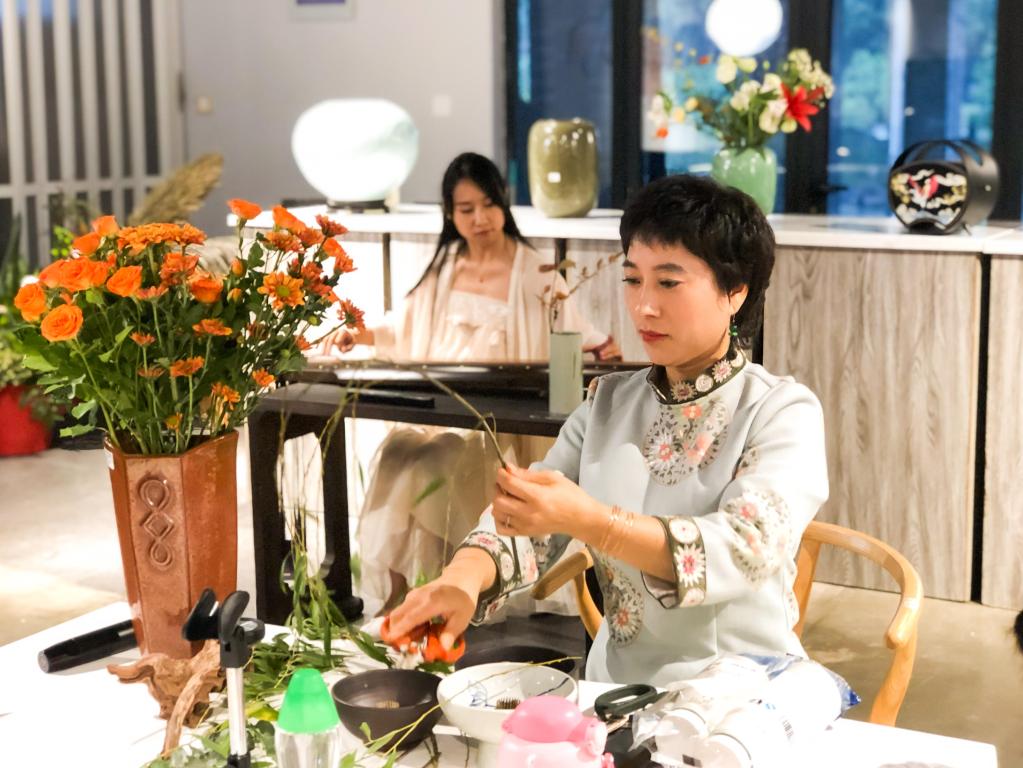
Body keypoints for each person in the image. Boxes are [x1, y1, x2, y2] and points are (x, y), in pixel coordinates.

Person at [388, 174, 829, 685]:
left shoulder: (779, 410)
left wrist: (593, 521)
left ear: (735, 291)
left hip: (739, 689)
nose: (644, 306)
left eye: (668, 282)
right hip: (614, 687)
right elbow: (532, 516)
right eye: (632, 280)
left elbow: (742, 548)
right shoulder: (608, 401)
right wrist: (461, 579)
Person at [320, 152, 619, 613]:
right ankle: (403, 593)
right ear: (450, 213)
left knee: (433, 463)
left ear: (503, 203)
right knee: (398, 451)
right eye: (466, 209)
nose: (480, 219)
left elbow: (577, 331)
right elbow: (402, 325)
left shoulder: (533, 269)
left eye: (488, 205)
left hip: (496, 424)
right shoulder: (446, 266)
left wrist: (603, 350)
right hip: (443, 411)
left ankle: (455, 589)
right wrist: (356, 334)